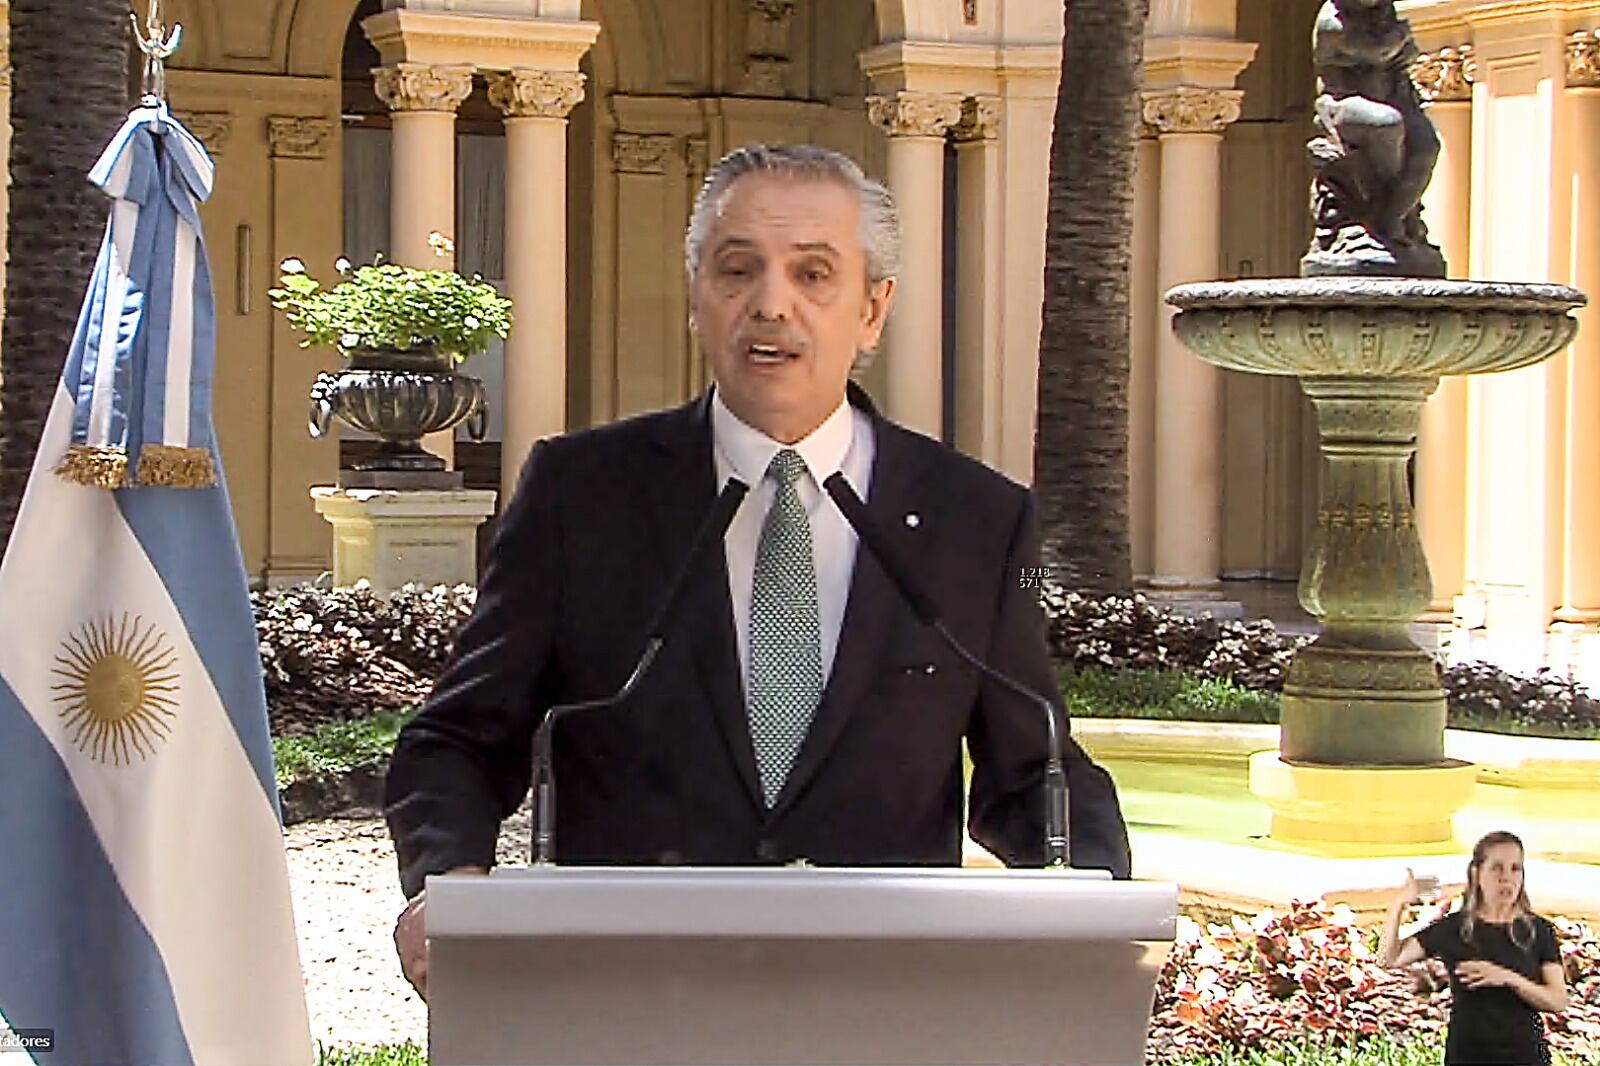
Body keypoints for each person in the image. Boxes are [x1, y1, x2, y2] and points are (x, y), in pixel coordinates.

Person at [385, 143, 1133, 998]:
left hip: (882, 1007)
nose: (771, 304)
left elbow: (1032, 766)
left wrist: (1104, 912)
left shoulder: (978, 519)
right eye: (738, 270)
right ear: (697, 297)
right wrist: (449, 889)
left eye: (815, 275)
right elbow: (458, 741)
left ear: (873, 311)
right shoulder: (581, 493)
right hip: (623, 1003)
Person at [1379, 831, 1568, 1065]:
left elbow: (1557, 1000)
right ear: (1477, 873)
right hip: (1468, 1054)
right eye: (1497, 868)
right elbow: (1389, 958)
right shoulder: (1455, 928)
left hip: (1525, 1055)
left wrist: (1506, 978)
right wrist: (1399, 903)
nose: (1506, 878)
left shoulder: (1539, 931)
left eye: (1515, 868)